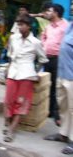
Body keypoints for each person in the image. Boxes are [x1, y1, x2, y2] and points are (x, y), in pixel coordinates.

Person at [4, 14, 48, 142]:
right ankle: (7, 122)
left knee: (21, 102)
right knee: (8, 100)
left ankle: (11, 129)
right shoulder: (13, 38)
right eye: (18, 24)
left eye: (22, 25)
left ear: (29, 26)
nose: (19, 27)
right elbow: (10, 55)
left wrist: (35, 73)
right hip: (13, 72)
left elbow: (42, 60)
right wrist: (8, 68)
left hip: (26, 75)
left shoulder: (36, 42)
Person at [44, 22, 73, 155]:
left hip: (72, 76)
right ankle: (63, 134)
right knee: (63, 106)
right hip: (62, 74)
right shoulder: (70, 26)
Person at [41, 3, 68, 127]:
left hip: (59, 59)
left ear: (56, 12)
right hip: (47, 59)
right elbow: (43, 37)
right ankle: (49, 111)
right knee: (48, 85)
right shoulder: (48, 26)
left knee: (58, 87)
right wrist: (44, 45)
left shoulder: (66, 26)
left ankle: (57, 113)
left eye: (49, 11)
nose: (47, 13)